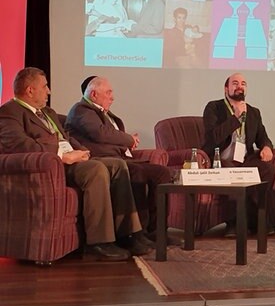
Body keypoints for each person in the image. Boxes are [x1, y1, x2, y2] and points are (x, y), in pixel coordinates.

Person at [0, 67, 152, 261]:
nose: (49, 91)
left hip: (71, 158)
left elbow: (67, 137)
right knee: (96, 170)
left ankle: (129, 234)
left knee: (116, 165)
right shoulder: (9, 112)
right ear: (30, 90)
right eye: (45, 87)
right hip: (51, 167)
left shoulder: (48, 112)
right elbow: (18, 144)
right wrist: (61, 156)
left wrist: (82, 151)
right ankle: (98, 242)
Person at [65, 76, 173, 243]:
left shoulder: (105, 113)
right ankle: (138, 233)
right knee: (136, 173)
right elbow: (100, 133)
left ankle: (158, 231)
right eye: (108, 93)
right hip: (103, 161)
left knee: (162, 173)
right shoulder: (81, 110)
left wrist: (126, 144)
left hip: (122, 158)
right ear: (94, 94)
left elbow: (111, 136)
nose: (112, 97)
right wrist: (128, 139)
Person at [202, 73, 275, 236]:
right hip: (220, 158)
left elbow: (263, 137)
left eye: (243, 83)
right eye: (235, 83)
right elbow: (213, 137)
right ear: (226, 89)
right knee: (232, 171)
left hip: (244, 159)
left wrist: (266, 147)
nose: (240, 86)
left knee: (268, 170)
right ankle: (234, 223)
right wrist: (235, 117)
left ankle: (260, 219)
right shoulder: (213, 107)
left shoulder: (253, 112)